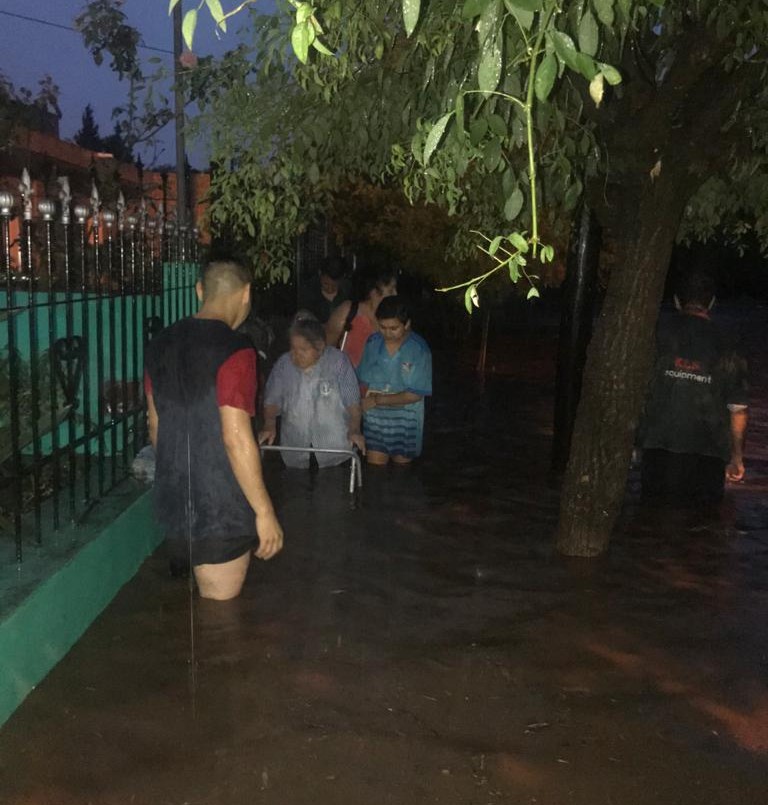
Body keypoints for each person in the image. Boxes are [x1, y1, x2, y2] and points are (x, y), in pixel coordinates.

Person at [144, 259, 284, 601]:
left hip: (174, 499)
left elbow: (155, 424)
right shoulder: (235, 350)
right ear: (246, 293)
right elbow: (235, 438)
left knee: (192, 606)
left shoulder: (159, 344)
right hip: (219, 506)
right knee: (220, 620)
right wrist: (264, 512)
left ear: (199, 291)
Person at [638, 272, 749, 504]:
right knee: (701, 525)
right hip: (709, 452)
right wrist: (736, 456)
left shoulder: (654, 333)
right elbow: (738, 408)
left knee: (653, 517)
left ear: (677, 301)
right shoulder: (728, 344)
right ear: (711, 302)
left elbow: (637, 391)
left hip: (658, 445)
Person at [259, 312, 365, 467]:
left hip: (335, 449)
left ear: (320, 347)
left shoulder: (338, 362)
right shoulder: (283, 364)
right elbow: (272, 400)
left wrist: (354, 429)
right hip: (294, 448)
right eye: (293, 349)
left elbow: (352, 402)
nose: (296, 355)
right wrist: (269, 424)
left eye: (303, 350)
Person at [357, 296, 432, 466]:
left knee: (402, 475)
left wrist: (377, 400)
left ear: (406, 324)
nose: (387, 333)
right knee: (375, 473)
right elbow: (363, 379)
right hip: (375, 419)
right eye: (383, 327)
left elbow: (415, 395)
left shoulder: (419, 350)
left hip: (405, 421)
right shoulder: (373, 343)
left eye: (394, 328)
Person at [325, 266, 397, 368]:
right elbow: (326, 349)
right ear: (374, 292)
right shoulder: (348, 312)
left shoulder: (394, 317)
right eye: (391, 290)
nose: (395, 294)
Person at [298, 256, 351, 324]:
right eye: (325, 284)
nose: (330, 289)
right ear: (320, 274)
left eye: (334, 286)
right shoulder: (309, 293)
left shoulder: (348, 292)